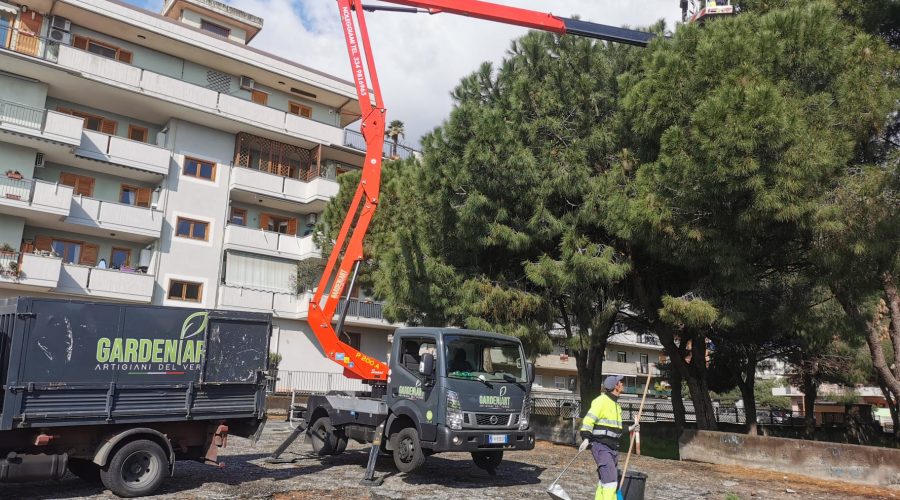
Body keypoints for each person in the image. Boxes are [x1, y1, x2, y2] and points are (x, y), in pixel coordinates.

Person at [579, 375, 638, 500]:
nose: (622, 384)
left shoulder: (616, 406)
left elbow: (616, 428)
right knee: (611, 482)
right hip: (601, 446)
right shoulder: (601, 401)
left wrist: (631, 428)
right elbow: (588, 420)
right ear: (615, 386)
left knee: (605, 481)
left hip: (613, 447)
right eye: (620, 382)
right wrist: (586, 438)